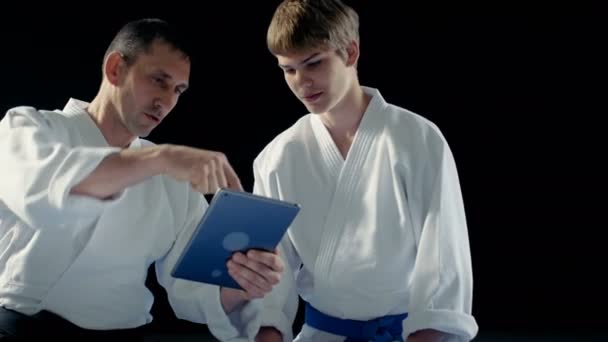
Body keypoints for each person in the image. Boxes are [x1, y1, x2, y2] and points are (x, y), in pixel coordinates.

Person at [0, 18, 284, 341]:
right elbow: (43, 194)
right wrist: (160, 158)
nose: (167, 101)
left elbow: (192, 286)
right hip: (21, 329)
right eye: (159, 80)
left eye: (178, 90)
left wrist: (243, 283)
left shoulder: (168, 177)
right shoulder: (28, 130)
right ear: (115, 69)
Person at [251, 1, 479, 341]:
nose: (302, 82)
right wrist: (267, 331)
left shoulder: (416, 139)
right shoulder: (278, 157)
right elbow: (270, 271)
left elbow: (443, 259)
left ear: (351, 52)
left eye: (314, 63)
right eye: (289, 69)